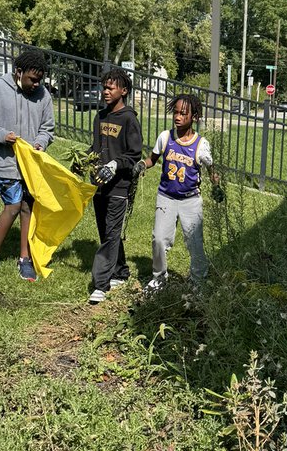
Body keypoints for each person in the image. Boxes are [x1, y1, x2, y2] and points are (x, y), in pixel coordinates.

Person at [0, 49, 54, 282]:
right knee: (14, 205)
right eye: (32, 79)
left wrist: (40, 143)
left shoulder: (43, 95)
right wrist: (1, 135)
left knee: (28, 206)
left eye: (39, 80)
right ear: (19, 72)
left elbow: (47, 128)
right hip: (5, 163)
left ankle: (24, 258)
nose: (36, 84)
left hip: (30, 165)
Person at [140, 93, 220, 291]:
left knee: (195, 243)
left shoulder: (201, 145)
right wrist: (142, 165)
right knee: (159, 239)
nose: (178, 117)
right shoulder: (165, 137)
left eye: (183, 113)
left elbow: (212, 171)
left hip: (190, 201)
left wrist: (216, 187)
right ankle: (159, 278)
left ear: (194, 117)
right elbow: (152, 159)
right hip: (166, 197)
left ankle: (198, 281)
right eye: (175, 112)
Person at [89, 68, 143, 304]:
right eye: (104, 87)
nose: (106, 91)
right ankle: (120, 271)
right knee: (106, 232)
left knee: (111, 233)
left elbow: (134, 154)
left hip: (120, 186)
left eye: (111, 88)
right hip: (100, 185)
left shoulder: (129, 119)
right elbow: (95, 148)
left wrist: (114, 164)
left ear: (124, 91)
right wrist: (85, 161)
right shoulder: (100, 117)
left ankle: (101, 284)